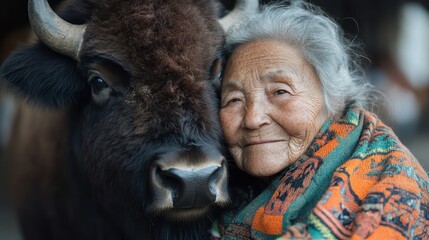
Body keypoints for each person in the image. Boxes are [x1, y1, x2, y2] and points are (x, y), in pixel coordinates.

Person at [216, 1, 429, 239]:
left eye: (280, 92)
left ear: (334, 100)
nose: (253, 119)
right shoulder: (222, 193)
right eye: (234, 100)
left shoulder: (390, 197)